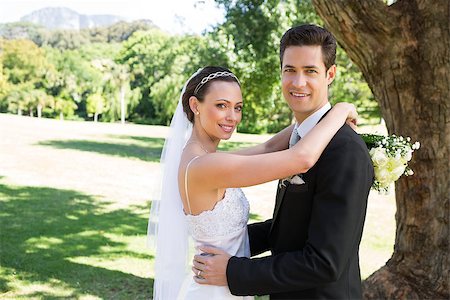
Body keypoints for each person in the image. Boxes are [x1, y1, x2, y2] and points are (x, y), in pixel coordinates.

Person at [192, 25, 374, 299]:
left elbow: (324, 262)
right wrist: (227, 243)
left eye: (310, 71)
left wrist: (234, 272)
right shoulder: (300, 139)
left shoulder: (344, 150)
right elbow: (291, 227)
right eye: (290, 70)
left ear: (330, 74)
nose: (298, 82)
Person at [148, 65, 358, 300]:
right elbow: (301, 159)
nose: (232, 117)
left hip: (224, 283)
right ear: (195, 105)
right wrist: (340, 110)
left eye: (237, 107)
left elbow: (267, 147)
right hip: (215, 291)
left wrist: (317, 117)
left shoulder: (204, 159)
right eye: (221, 105)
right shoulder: (205, 167)